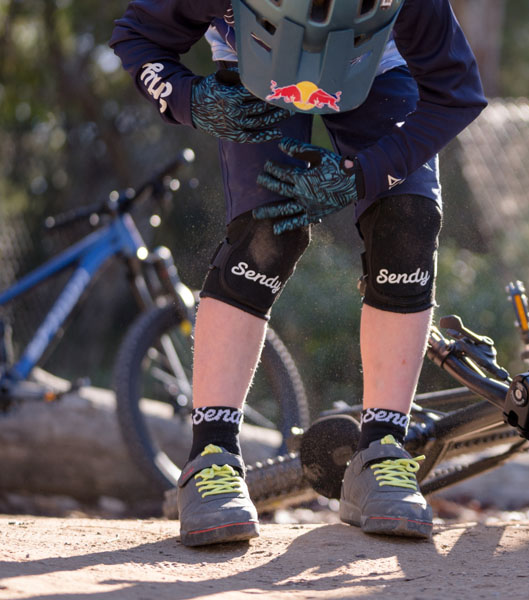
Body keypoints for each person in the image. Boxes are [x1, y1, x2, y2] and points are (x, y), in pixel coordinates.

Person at [110, 0, 486, 547]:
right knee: (267, 235)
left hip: (380, 71)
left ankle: (382, 452)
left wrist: (365, 175)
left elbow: (458, 91)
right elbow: (137, 36)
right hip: (257, 73)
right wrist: (193, 100)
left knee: (406, 224)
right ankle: (211, 459)